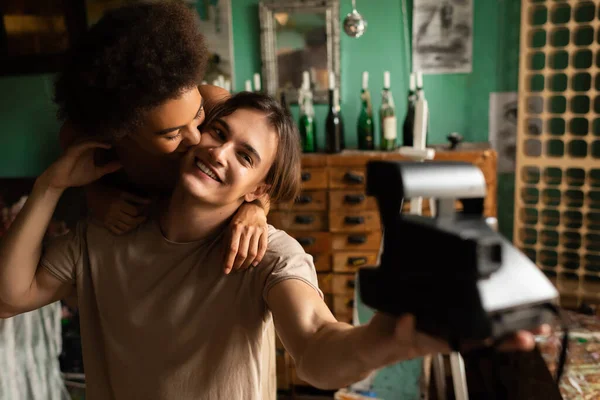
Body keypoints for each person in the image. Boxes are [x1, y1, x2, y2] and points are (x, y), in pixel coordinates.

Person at [0, 92, 547, 399]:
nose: (219, 153)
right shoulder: (106, 234)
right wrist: (51, 183)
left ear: (260, 188)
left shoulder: (268, 254)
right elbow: (11, 295)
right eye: (218, 134)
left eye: (245, 156)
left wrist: (388, 340)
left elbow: (315, 348)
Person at [54, 1, 264, 273]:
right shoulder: (84, 138)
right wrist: (97, 197)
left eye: (197, 114)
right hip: (137, 257)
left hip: (214, 253)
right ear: (121, 133)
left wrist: (256, 207)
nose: (195, 138)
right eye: (172, 133)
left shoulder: (216, 104)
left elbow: (269, 162)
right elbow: (80, 178)